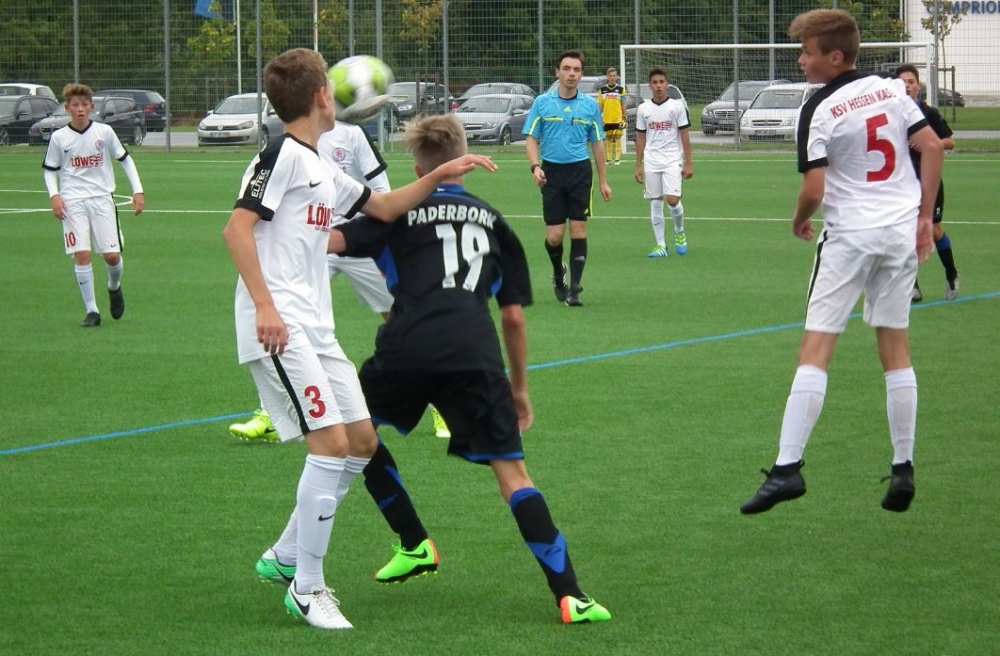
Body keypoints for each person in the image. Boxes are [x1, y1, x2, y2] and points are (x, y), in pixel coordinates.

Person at [222, 47, 495, 630]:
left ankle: (287, 554)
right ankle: (307, 588)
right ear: (323, 96)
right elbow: (236, 230)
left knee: (362, 442)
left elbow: (384, 206)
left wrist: (440, 174)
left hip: (316, 328)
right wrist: (266, 307)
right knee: (329, 446)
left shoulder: (320, 163)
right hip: (282, 325)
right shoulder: (281, 155)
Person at [328, 114, 611, 624]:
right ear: (464, 161)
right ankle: (571, 595)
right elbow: (514, 319)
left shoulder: (396, 214)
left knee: (354, 437)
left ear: (419, 169)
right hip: (474, 354)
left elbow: (329, 242)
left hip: (406, 347)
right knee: (514, 476)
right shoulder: (495, 222)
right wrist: (519, 389)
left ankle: (413, 540)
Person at [739, 9, 944, 515]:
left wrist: (797, 221)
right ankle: (903, 466)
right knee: (895, 349)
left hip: (850, 236)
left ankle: (787, 468)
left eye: (807, 52)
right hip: (899, 234)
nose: (801, 60)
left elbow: (814, 189)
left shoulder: (819, 107)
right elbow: (932, 146)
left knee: (816, 348)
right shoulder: (891, 89)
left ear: (834, 57)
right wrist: (924, 217)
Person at [228, 120, 452, 441]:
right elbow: (239, 228)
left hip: (359, 243)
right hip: (319, 244)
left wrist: (435, 178)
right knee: (295, 328)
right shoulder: (286, 149)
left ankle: (440, 403)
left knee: (407, 320)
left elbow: (383, 195)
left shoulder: (351, 136)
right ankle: (277, 412)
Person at [42, 83, 145, 327]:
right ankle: (92, 311)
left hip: (102, 200)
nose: (80, 109)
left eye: (84, 105)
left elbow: (125, 160)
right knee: (82, 253)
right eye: (74, 105)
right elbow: (50, 170)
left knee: (111, 257)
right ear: (67, 108)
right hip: (72, 201)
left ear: (91, 107)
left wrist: (138, 190)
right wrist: (55, 195)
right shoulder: (59, 138)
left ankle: (114, 286)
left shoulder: (104, 132)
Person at [524, 50, 612, 307]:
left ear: (581, 75)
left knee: (578, 229)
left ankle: (575, 289)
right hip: (551, 173)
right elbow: (531, 137)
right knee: (554, 237)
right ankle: (558, 273)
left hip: (579, 173)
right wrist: (535, 167)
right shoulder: (542, 102)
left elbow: (598, 144)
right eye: (566, 68)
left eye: (576, 70)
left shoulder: (590, 106)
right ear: (557, 72)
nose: (571, 74)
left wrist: (603, 180)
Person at [894, 64, 960, 302]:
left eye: (910, 82)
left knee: (934, 230)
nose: (907, 86)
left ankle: (951, 273)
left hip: (929, 181)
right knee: (904, 232)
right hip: (902, 184)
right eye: (902, 82)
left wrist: (931, 146)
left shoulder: (928, 113)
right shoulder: (891, 114)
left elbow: (949, 141)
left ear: (918, 87)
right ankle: (913, 286)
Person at [634, 67, 693, 258]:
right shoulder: (643, 109)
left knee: (673, 200)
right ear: (650, 86)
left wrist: (689, 163)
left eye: (661, 82)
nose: (658, 86)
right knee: (656, 201)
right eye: (655, 83)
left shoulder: (677, 107)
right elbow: (641, 137)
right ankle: (661, 245)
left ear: (667, 84)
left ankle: (679, 231)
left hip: (672, 159)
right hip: (652, 160)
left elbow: (684, 135)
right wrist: (638, 165)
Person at [598, 67, 627, 166]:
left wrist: (624, 116)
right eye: (610, 76)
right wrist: (598, 117)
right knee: (608, 138)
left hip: (618, 119)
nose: (612, 77)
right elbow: (600, 106)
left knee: (618, 137)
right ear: (607, 77)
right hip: (607, 119)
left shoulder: (621, 90)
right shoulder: (602, 90)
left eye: (614, 76)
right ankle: (609, 159)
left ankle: (617, 159)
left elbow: (623, 104)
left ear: (617, 77)